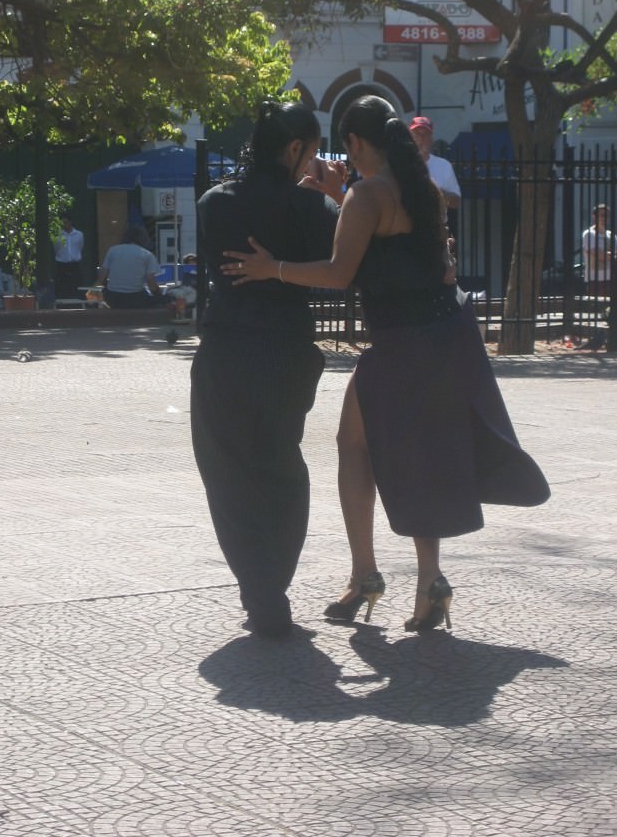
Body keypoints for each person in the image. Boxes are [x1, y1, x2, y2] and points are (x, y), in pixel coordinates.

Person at [222, 96, 549, 633]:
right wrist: (338, 193)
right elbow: (410, 253)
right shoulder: (423, 187)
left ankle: (365, 575)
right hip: (445, 337)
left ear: (352, 143)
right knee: (425, 457)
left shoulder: (367, 195)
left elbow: (338, 271)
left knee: (353, 447)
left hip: (398, 344)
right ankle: (429, 581)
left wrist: (270, 268)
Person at [191, 99, 345, 638]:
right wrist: (333, 199)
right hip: (287, 350)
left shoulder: (215, 203)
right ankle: (271, 582)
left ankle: (258, 590)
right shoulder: (312, 210)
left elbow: (223, 268)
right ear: (295, 147)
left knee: (228, 468)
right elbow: (343, 267)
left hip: (229, 349)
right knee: (281, 463)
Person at [94, 226, 163, 309]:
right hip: (136, 298)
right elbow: (151, 283)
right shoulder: (147, 255)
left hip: (112, 298)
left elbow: (102, 277)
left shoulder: (113, 250)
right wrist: (159, 296)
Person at [409, 116, 461, 210]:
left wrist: (436, 192)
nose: (421, 138)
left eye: (425, 134)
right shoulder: (402, 165)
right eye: (417, 134)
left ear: (431, 139)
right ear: (411, 139)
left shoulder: (444, 166)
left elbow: (456, 202)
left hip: (437, 223)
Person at [582, 204, 617, 297]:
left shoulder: (612, 236)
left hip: (610, 279)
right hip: (594, 280)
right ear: (594, 216)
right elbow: (601, 256)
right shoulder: (589, 234)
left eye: (606, 215)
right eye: (601, 215)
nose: (604, 218)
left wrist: (609, 255)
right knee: (595, 308)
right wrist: (612, 255)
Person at [53, 215, 85, 299]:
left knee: (77, 286)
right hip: (62, 265)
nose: (64, 224)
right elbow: (56, 249)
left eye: (65, 222)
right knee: (61, 287)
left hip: (75, 265)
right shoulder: (57, 235)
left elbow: (80, 247)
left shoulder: (79, 234)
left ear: (70, 222)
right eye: (62, 223)